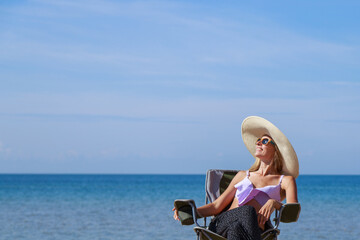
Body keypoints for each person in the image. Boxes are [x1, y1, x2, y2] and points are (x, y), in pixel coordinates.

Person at [173, 116, 300, 240]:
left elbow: (292, 212)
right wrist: (190, 211)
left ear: (276, 150)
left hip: (252, 229)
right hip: (222, 224)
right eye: (258, 140)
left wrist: (274, 203)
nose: (259, 142)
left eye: (265, 141)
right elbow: (217, 206)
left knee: (236, 228)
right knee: (247, 211)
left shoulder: (285, 180)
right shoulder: (243, 175)